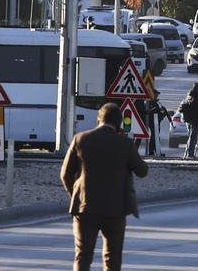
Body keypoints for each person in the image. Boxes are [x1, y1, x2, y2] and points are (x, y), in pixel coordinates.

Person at [61, 103, 149, 271]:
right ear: (119, 123)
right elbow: (142, 171)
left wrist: (76, 196)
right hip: (115, 210)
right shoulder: (125, 144)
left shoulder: (81, 139)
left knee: (83, 255)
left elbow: (65, 174)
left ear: (98, 120)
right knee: (112, 257)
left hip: (85, 209)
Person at [181, 83, 198, 159]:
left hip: (188, 119)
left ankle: (187, 153)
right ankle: (190, 154)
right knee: (193, 137)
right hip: (195, 120)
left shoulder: (189, 95)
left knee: (191, 137)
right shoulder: (197, 98)